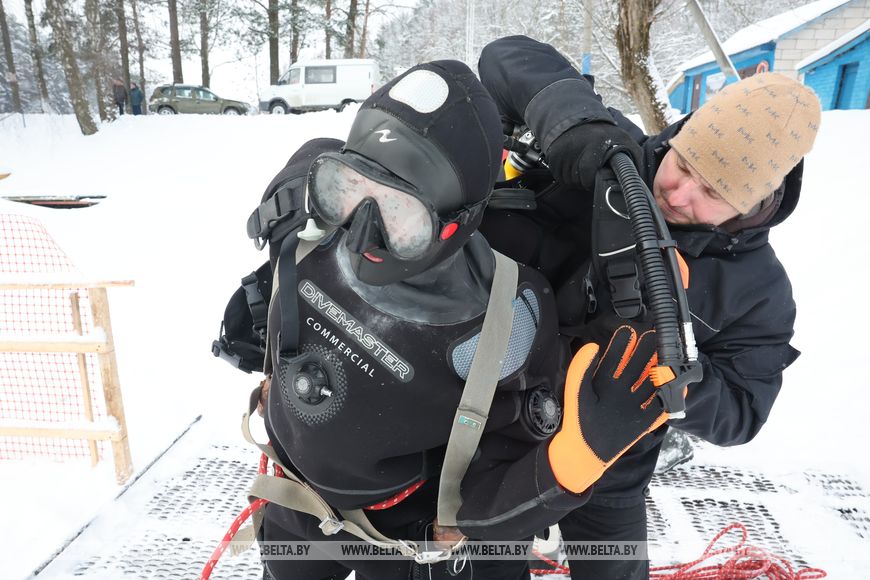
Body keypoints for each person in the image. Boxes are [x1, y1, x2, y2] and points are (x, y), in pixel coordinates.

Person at [236, 60, 668, 580]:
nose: (361, 235)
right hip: (294, 502)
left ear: (458, 222)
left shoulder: (506, 323)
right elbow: (311, 166)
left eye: (402, 217)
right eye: (347, 190)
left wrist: (574, 458)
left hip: (402, 540)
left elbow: (487, 505)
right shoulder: (307, 218)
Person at [477, 35, 821, 579]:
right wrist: (573, 123)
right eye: (682, 163)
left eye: (711, 191)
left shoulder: (757, 290)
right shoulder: (616, 158)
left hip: (611, 466)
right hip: (494, 440)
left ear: (753, 204)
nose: (678, 193)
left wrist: (679, 377)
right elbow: (506, 57)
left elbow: (744, 409)